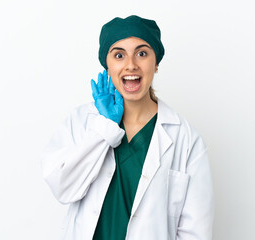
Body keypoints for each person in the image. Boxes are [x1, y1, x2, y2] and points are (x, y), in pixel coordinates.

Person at [41, 15, 214, 240]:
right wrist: (104, 129)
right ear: (107, 65)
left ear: (156, 63)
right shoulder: (81, 121)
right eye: (119, 55)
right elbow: (63, 188)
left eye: (142, 53)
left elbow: (196, 232)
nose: (131, 64)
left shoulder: (185, 138)